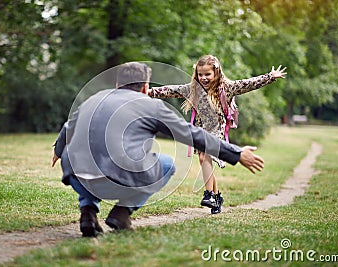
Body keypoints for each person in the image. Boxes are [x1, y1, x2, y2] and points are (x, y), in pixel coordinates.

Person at [52, 62, 265, 238]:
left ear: (117, 84)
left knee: (90, 158)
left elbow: (68, 127)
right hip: (118, 179)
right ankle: (122, 212)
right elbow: (193, 134)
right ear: (145, 87)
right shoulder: (151, 106)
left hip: (76, 175)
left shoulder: (93, 99)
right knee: (166, 165)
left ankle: (88, 212)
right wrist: (236, 154)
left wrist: (58, 151)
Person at [148, 55, 287, 214]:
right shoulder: (193, 89)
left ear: (216, 72)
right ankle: (216, 197)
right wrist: (150, 91)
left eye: (207, 74)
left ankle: (208, 195)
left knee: (203, 157)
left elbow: (248, 83)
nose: (204, 78)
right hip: (200, 129)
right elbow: (171, 90)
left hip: (217, 129)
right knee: (204, 161)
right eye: (200, 75)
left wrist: (269, 77)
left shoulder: (227, 88)